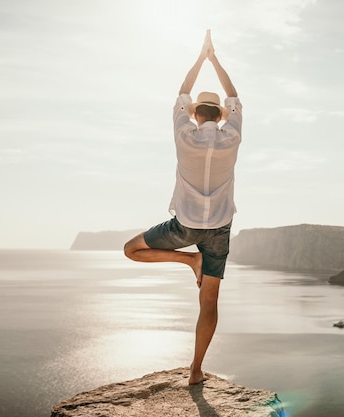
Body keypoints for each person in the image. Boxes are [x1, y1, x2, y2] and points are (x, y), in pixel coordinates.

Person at [123, 30, 242, 385]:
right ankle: (195, 370)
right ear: (220, 116)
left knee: (131, 250)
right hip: (219, 229)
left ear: (195, 115)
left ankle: (188, 259)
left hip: (184, 226)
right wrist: (215, 58)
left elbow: (181, 94)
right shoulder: (232, 136)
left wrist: (200, 57)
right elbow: (234, 95)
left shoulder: (183, 134)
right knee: (209, 302)